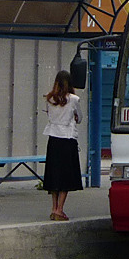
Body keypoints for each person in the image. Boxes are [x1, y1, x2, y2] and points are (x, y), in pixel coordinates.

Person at [41, 70, 83, 221]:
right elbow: (79, 118)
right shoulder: (74, 99)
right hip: (67, 139)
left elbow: (49, 115)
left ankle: (53, 208)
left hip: (53, 138)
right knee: (66, 175)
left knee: (54, 174)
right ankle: (60, 209)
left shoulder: (49, 98)